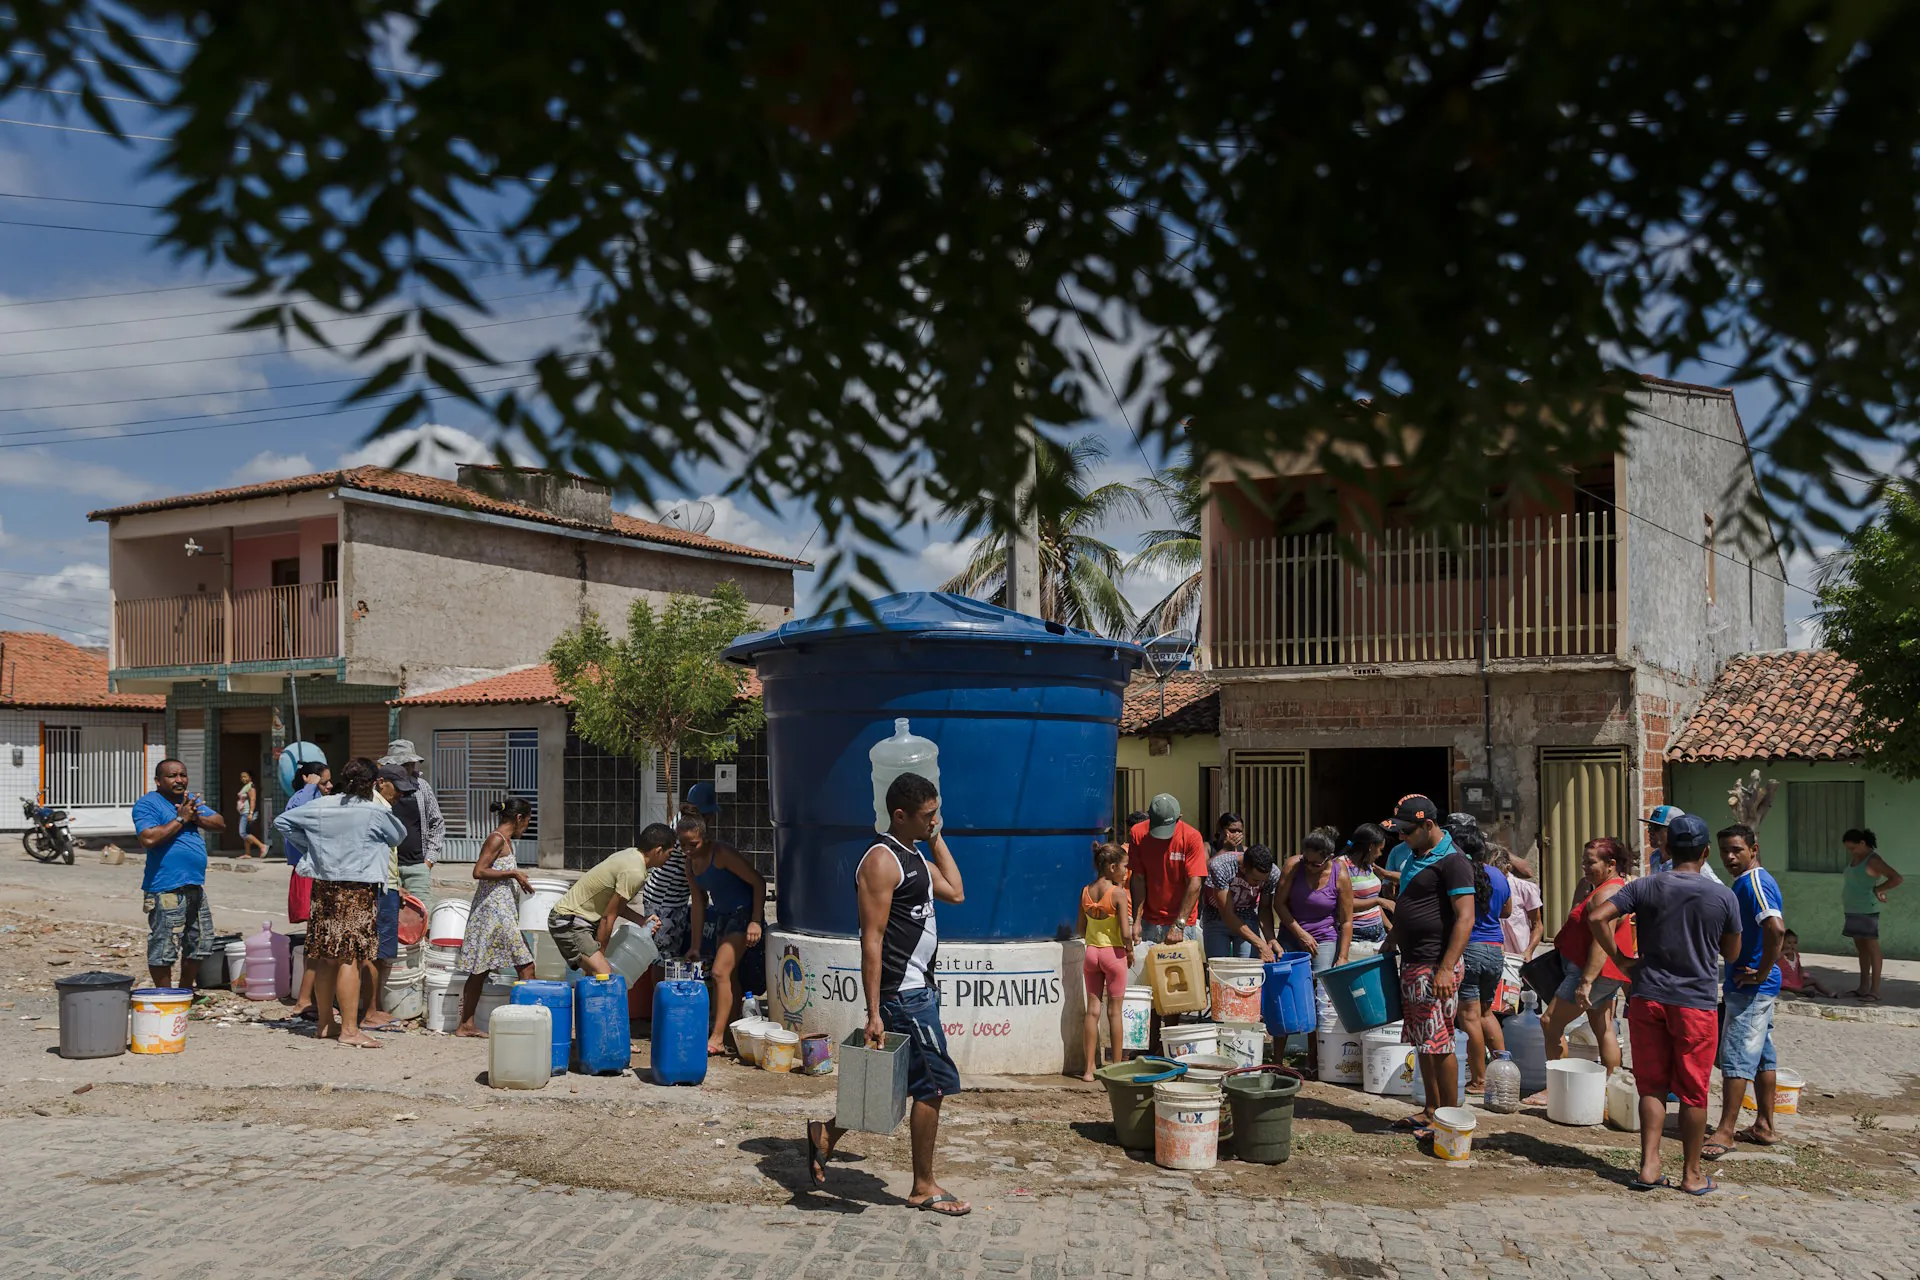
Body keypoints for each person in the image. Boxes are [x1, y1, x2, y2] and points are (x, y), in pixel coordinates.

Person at [805, 771, 969, 1215]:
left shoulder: (913, 854)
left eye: (936, 813)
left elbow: (955, 892)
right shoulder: (881, 861)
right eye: (927, 815)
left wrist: (936, 840)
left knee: (895, 1082)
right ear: (899, 815)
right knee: (934, 1085)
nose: (935, 820)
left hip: (920, 991)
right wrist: (873, 1011)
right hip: (902, 994)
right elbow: (871, 940)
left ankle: (826, 1134)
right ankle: (923, 1185)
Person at [1587, 814, 1741, 1196]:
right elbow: (1732, 951)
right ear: (1706, 852)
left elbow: (1597, 916)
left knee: (1651, 1087)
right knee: (1693, 1092)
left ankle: (1649, 1166)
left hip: (1647, 997)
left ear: (1667, 849)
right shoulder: (1723, 896)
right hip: (1695, 1005)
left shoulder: (1645, 886)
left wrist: (1620, 959)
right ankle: (1691, 1175)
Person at [273, 758, 406, 1049]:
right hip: (357, 890)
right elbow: (398, 836)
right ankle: (349, 1029)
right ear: (373, 783)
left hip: (324, 888)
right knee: (350, 958)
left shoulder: (322, 805)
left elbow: (282, 822)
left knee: (326, 956)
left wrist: (311, 847)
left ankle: (325, 1024)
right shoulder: (373, 811)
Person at [1380, 794, 1474, 1137]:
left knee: (1440, 1043)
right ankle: (1431, 1110)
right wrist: (1394, 937)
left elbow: (1465, 918)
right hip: (1415, 962)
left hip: (1436, 966)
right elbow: (1411, 902)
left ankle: (1450, 1121)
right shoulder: (1418, 856)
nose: (1402, 838)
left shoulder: (1453, 861)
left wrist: (1447, 968)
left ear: (1428, 825)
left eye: (1407, 831)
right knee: (1423, 1042)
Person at [1704, 823, 1787, 1160]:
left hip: (1752, 987)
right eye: (1725, 851)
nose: (1730, 857)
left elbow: (1776, 928)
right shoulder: (1745, 882)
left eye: (1737, 850)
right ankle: (1764, 1125)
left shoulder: (1755, 882)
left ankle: (1724, 1131)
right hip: (1751, 984)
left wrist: (1763, 970)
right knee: (1762, 1055)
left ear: (1754, 848)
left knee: (1737, 1058)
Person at [1536, 837, 1636, 1092]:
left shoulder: (1609, 893)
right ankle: (1612, 1091)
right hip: (1603, 973)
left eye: (1590, 863)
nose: (1584, 867)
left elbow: (1601, 943)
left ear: (1611, 864)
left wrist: (1585, 982)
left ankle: (1557, 1090)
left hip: (1592, 972)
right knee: (1603, 1028)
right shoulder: (1602, 888)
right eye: (1583, 862)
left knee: (1550, 1022)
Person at [132, 759, 226, 992]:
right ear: (158, 780)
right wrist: (181, 819)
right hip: (165, 888)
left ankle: (185, 992)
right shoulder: (147, 804)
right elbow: (149, 838)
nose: (179, 780)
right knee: (164, 947)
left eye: (182, 775)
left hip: (195, 886)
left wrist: (195, 817)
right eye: (172, 776)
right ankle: (166, 996)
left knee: (201, 942)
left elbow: (220, 823)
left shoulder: (189, 801)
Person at [680, 813, 767, 1055]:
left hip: (743, 915)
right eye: (682, 845)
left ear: (705, 838)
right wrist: (695, 946)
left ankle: (717, 1038)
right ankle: (731, 1034)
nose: (687, 850)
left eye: (693, 844)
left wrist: (756, 922)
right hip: (722, 917)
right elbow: (698, 902)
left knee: (720, 972)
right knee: (730, 978)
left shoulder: (721, 854)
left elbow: (758, 883)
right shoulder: (689, 864)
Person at [453, 798, 540, 1037]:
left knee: (481, 968)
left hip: (501, 912)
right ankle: (529, 1025)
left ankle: (466, 1024)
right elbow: (479, 870)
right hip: (493, 913)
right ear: (519, 818)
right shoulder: (496, 839)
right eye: (528, 821)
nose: (527, 826)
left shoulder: (507, 842)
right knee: (526, 965)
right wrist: (513, 873)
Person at [547, 827, 678, 975]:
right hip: (569, 921)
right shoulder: (635, 873)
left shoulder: (631, 854)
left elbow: (615, 906)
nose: (670, 859)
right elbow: (608, 917)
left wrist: (642, 920)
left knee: (596, 975)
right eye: (670, 853)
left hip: (581, 920)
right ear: (658, 850)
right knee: (603, 973)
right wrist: (601, 953)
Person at [1448, 816, 1510, 1093]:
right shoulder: (1498, 875)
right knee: (1487, 1013)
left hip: (1470, 949)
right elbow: (1506, 912)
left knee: (1468, 1017)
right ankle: (1502, 1073)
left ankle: (1480, 1079)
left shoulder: (1460, 874)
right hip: (1496, 950)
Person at [1077, 841, 1137, 1080]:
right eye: (1124, 867)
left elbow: (1081, 929)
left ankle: (1089, 1069)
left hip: (1091, 953)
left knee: (1092, 1011)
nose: (1126, 872)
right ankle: (1115, 1069)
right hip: (1114, 955)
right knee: (1114, 1012)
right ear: (1112, 867)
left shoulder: (1085, 892)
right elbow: (1125, 932)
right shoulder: (1119, 894)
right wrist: (1130, 949)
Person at [1128, 793, 1209, 944]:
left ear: (1179, 817)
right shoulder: (1138, 834)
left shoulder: (1192, 837)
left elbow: (1195, 884)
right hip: (1149, 921)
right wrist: (1136, 921)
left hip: (1181, 922)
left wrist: (1179, 924)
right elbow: (1138, 879)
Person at [284, 758, 330, 1020]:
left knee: (317, 940)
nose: (329, 786)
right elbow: (299, 817)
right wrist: (312, 788)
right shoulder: (302, 800)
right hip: (309, 874)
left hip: (312, 873)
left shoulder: (310, 798)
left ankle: (307, 997)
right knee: (316, 940)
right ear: (308, 779)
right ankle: (304, 1000)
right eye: (324, 781)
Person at [1841, 827, 1902, 1001]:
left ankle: (1874, 991)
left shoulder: (1873, 860)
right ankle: (1863, 987)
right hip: (1852, 908)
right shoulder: (1856, 859)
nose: (1851, 852)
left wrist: (1878, 889)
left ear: (1862, 843)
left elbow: (1896, 878)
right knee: (1862, 949)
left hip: (1867, 909)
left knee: (1872, 948)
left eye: (1853, 848)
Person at [379, 740, 444, 902]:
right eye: (403, 765)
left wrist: (429, 860)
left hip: (417, 866)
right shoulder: (379, 789)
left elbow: (436, 823)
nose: (408, 769)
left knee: (421, 917)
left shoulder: (422, 787)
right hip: (387, 867)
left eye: (410, 764)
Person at [1199, 840, 1279, 960]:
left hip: (1247, 915)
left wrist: (1270, 939)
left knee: (1249, 967)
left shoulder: (1273, 873)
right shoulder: (1221, 866)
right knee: (1219, 968)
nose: (1261, 884)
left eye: (1264, 880)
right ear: (1243, 868)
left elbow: (1265, 909)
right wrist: (1260, 944)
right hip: (1216, 916)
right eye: (1256, 880)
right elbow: (1227, 914)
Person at [1644, 804, 1721, 883]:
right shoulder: (1655, 856)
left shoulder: (1695, 865)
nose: (1650, 831)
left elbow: (1719, 890)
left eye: (1656, 827)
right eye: (1650, 826)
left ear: (1673, 831)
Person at [1343, 823, 1390, 946]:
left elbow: (1372, 902)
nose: (1380, 854)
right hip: (1356, 936)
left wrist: (1389, 927)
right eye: (1380, 849)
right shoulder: (1341, 866)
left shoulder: (1368, 865)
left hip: (1379, 932)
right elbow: (1344, 904)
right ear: (1371, 847)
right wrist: (1379, 901)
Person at [1495, 843, 1544, 961]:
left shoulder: (1524, 888)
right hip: (1496, 955)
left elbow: (1537, 925)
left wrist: (1529, 951)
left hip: (1520, 955)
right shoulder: (1486, 887)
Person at [1778, 930, 1834, 998]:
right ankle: (1802, 992)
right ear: (1782, 943)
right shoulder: (1781, 955)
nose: (1792, 945)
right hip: (1784, 981)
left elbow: (1799, 966)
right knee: (1785, 984)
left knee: (1813, 980)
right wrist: (1784, 952)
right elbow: (1774, 959)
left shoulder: (1796, 955)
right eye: (1789, 943)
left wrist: (1801, 974)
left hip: (1796, 980)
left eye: (1795, 943)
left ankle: (1830, 993)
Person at [234, 770, 268, 858]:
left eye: (245, 776)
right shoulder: (246, 787)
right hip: (244, 812)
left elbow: (253, 800)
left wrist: (250, 813)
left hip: (247, 812)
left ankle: (262, 846)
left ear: (250, 777)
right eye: (242, 777)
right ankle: (247, 853)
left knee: (243, 833)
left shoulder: (251, 787)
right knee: (247, 832)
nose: (243, 778)